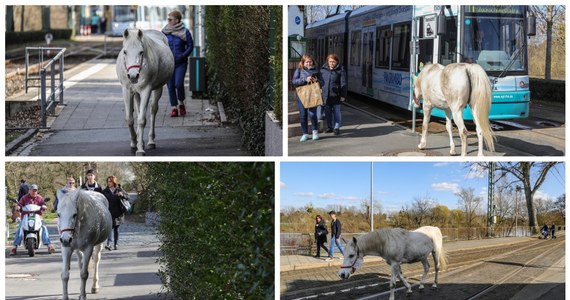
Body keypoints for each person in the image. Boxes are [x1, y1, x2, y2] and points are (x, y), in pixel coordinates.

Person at [162, 10, 194, 117]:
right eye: (168, 19)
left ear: (177, 20)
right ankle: (174, 107)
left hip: (181, 63)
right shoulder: (164, 32)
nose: (168, 21)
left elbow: (190, 46)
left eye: (170, 19)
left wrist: (183, 55)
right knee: (171, 86)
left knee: (178, 84)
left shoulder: (185, 32)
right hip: (168, 64)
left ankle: (181, 103)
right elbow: (160, 46)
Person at [10, 184, 55, 255]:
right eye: (32, 190)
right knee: (20, 228)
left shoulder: (39, 198)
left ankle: (49, 245)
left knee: (44, 227)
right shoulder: (24, 198)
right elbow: (19, 204)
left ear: (37, 191)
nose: (34, 192)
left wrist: (44, 206)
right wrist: (17, 207)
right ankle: (14, 247)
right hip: (25, 216)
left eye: (35, 190)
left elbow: (44, 204)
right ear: (29, 191)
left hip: (38, 216)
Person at [292, 54, 324, 142]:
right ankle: (305, 133)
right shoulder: (298, 70)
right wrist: (305, 80)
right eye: (306, 62)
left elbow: (322, 83)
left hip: (313, 95)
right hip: (302, 96)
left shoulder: (317, 71)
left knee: (313, 114)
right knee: (303, 115)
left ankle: (315, 131)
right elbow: (294, 82)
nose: (308, 63)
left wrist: (316, 80)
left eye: (310, 61)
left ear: (312, 62)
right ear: (303, 63)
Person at [321, 53, 347, 136]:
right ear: (327, 62)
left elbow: (344, 83)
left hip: (336, 95)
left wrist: (343, 95)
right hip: (326, 95)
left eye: (334, 62)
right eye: (330, 61)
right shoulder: (323, 70)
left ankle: (336, 127)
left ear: (337, 62)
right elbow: (320, 81)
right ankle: (330, 127)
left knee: (336, 112)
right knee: (328, 112)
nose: (332, 63)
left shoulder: (340, 70)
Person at [102, 176, 129, 250]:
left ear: (114, 182)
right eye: (108, 181)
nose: (109, 183)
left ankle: (116, 244)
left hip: (118, 213)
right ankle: (108, 244)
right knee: (109, 229)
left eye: (110, 181)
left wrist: (122, 195)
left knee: (116, 229)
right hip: (109, 212)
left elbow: (127, 197)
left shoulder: (119, 189)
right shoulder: (105, 191)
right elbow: (104, 199)